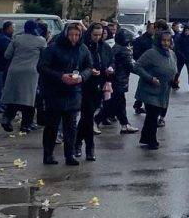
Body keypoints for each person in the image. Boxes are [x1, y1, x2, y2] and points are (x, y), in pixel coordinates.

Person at [38, 22, 92, 166]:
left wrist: (82, 77)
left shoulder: (83, 49)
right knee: (52, 125)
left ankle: (70, 155)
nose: (74, 38)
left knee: (71, 126)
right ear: (65, 34)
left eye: (77, 35)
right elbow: (42, 67)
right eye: (71, 35)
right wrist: (60, 76)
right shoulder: (53, 48)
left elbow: (88, 66)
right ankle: (48, 154)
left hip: (74, 92)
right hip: (54, 92)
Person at [133, 28, 179, 152]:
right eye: (163, 41)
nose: (166, 43)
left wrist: (174, 80)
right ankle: (152, 140)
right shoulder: (151, 53)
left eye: (168, 41)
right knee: (152, 115)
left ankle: (146, 137)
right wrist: (150, 78)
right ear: (159, 41)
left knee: (153, 115)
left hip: (164, 90)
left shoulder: (171, 54)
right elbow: (137, 66)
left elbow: (173, 69)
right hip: (150, 89)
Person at [1, 20, 45, 136]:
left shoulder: (17, 39)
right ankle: (26, 125)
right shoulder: (41, 40)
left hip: (14, 71)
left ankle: (6, 118)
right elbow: (45, 57)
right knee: (29, 100)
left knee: (13, 97)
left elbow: (7, 55)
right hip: (31, 72)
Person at [77, 24, 114, 161]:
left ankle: (78, 141)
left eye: (100, 35)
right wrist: (89, 71)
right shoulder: (83, 47)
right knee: (87, 116)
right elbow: (79, 64)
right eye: (95, 35)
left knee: (87, 116)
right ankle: (89, 147)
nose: (98, 38)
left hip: (100, 85)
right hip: (85, 85)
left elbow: (111, 61)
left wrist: (110, 68)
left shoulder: (105, 47)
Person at [103, 28, 134, 130]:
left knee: (114, 102)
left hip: (114, 79)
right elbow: (131, 66)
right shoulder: (125, 51)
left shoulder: (115, 48)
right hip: (120, 80)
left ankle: (124, 124)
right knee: (119, 102)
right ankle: (98, 119)